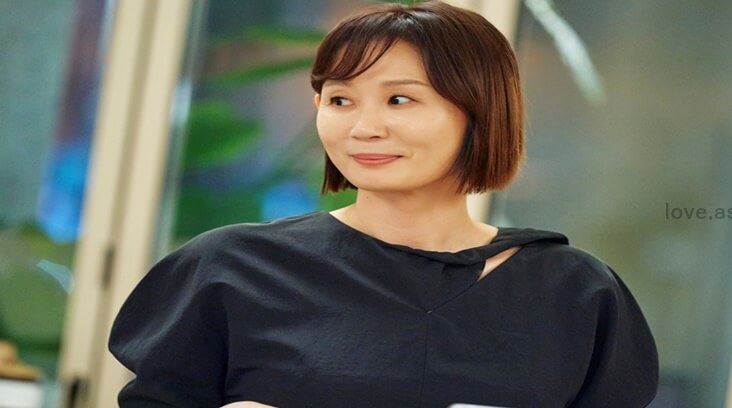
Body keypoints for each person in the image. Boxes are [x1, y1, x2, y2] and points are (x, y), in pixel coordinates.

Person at [109, 1, 659, 407]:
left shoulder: (574, 293)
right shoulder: (231, 268)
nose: (364, 127)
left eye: (399, 99)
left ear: (480, 112)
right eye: (340, 99)